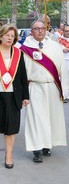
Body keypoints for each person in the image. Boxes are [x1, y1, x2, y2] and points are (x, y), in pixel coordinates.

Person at [20, 20, 69, 163]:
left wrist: (66, 88)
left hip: (52, 87)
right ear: (31, 31)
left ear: (46, 29)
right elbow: (21, 73)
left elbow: (63, 67)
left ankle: (47, 145)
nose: (40, 31)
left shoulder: (55, 46)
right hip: (34, 87)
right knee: (36, 119)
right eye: (36, 29)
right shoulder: (25, 48)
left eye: (43, 28)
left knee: (50, 117)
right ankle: (36, 148)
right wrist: (22, 93)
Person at [0, 24, 29, 169]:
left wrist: (26, 96)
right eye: (7, 35)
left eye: (13, 36)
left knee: (11, 128)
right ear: (1, 35)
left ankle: (9, 156)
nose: (10, 38)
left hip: (13, 96)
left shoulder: (18, 54)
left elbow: (23, 77)